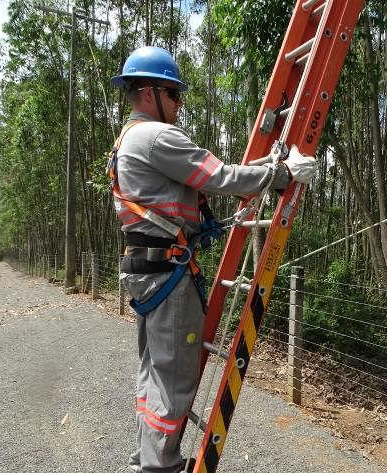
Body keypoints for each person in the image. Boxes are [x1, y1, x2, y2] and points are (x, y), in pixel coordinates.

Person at [108, 45, 317, 473]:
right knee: (174, 378)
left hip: (148, 268)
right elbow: (219, 176)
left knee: (154, 372)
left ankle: (147, 458)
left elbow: (204, 183)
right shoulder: (155, 136)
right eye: (174, 94)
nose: (180, 104)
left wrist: (268, 168)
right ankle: (160, 467)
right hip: (166, 272)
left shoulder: (128, 139)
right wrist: (284, 174)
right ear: (150, 94)